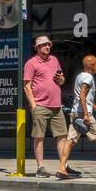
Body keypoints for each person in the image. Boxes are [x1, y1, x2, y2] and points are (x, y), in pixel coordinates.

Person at [57, 55, 96, 178]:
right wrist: (87, 114)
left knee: (70, 140)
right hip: (83, 113)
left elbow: (85, 97)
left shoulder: (80, 76)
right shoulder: (89, 77)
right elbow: (82, 96)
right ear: (92, 65)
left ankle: (61, 168)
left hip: (75, 112)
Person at [22, 35, 69, 178]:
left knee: (62, 136)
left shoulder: (54, 60)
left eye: (48, 44)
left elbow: (61, 80)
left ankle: (63, 166)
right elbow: (26, 86)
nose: (47, 47)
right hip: (40, 105)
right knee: (39, 137)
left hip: (56, 105)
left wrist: (61, 79)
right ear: (37, 48)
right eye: (44, 45)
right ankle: (40, 168)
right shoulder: (31, 63)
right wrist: (33, 105)